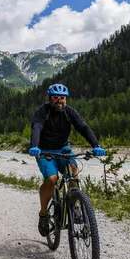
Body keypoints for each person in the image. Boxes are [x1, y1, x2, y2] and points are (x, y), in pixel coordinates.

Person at [29, 83, 105, 237]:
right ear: (50, 99)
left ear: (66, 99)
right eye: (55, 97)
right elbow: (36, 127)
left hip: (64, 149)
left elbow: (83, 127)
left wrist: (96, 145)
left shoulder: (70, 112)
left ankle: (75, 204)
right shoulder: (42, 111)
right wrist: (34, 146)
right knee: (52, 178)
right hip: (44, 151)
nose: (59, 100)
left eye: (62, 98)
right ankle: (43, 215)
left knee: (73, 169)